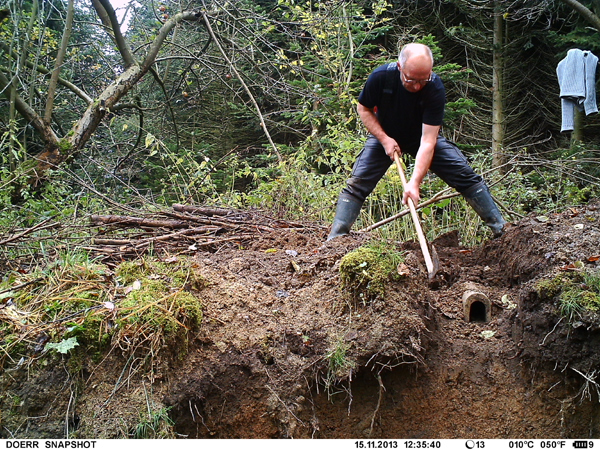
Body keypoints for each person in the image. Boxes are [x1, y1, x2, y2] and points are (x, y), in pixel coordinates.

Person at [327, 43, 506, 241]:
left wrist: (414, 183)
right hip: (385, 135)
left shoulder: (435, 87)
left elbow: (428, 141)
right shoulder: (381, 77)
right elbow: (364, 109)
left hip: (420, 136)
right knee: (358, 182)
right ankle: (335, 240)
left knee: (465, 175)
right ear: (399, 67)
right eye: (411, 80)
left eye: (423, 80)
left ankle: (502, 232)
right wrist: (385, 139)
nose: (417, 86)